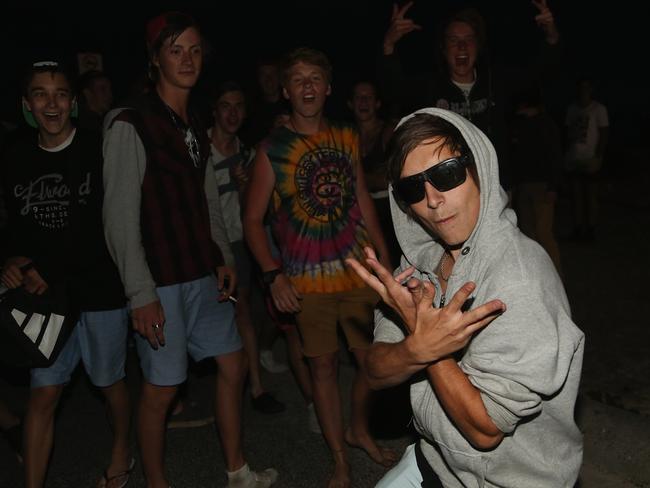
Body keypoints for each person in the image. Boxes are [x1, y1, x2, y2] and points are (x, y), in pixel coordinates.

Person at [346, 108, 584, 487]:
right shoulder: (416, 268)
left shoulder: (519, 277)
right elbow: (374, 373)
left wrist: (427, 346)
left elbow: (485, 429)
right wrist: (414, 348)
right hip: (436, 459)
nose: (433, 199)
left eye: (447, 174)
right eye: (413, 188)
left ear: (480, 170)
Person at [102, 12, 277, 488]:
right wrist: (140, 294)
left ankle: (237, 471)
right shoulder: (128, 121)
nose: (187, 59)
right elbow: (118, 218)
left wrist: (221, 255)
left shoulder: (194, 120)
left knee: (234, 362)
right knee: (161, 389)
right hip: (158, 280)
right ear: (155, 58)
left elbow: (207, 202)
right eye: (175, 49)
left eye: (195, 49)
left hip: (200, 272)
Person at [243, 46, 396, 488]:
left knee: (374, 364)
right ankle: (339, 461)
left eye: (315, 78)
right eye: (298, 80)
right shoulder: (272, 149)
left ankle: (358, 428)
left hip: (356, 271)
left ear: (328, 89)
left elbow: (364, 199)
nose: (307, 86)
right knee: (324, 368)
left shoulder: (347, 136)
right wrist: (272, 275)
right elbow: (252, 220)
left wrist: (384, 258)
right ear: (286, 91)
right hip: (306, 280)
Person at [1, 60, 132, 488]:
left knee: (108, 381)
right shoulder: (15, 155)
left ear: (73, 104)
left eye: (60, 94)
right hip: (47, 298)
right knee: (44, 394)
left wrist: (49, 269)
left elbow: (109, 225)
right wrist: (9, 261)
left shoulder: (97, 148)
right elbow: (13, 228)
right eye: (40, 93)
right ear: (26, 105)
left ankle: (120, 450)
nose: (51, 103)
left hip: (99, 289)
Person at [378, 0, 562, 192]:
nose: (462, 46)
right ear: (443, 48)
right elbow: (393, 89)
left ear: (478, 46)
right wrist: (388, 44)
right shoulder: (430, 87)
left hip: (497, 188)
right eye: (453, 40)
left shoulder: (496, 81)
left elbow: (541, 73)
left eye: (469, 39)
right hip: (449, 190)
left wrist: (552, 36)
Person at [207, 80, 284, 414]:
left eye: (238, 106)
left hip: (237, 246)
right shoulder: (198, 151)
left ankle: (255, 387)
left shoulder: (249, 155)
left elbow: (253, 213)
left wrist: (243, 188)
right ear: (214, 110)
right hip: (204, 247)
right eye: (226, 105)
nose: (233, 113)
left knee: (242, 312)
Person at [509, 82, 563, 275]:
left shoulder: (547, 124)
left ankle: (556, 277)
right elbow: (517, 157)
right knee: (527, 234)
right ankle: (536, 276)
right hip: (524, 186)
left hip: (542, 186)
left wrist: (553, 187)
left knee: (544, 233)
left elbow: (556, 157)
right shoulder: (520, 125)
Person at [347, 80, 400, 267]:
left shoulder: (389, 132)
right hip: (357, 215)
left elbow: (394, 178)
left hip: (390, 213)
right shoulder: (344, 136)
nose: (363, 102)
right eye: (358, 98)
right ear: (350, 104)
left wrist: (359, 180)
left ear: (377, 103)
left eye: (368, 97)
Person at [564, 76, 609, 242]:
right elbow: (568, 132)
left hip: (590, 158)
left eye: (586, 87)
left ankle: (590, 229)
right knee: (576, 195)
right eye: (581, 87)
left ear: (591, 89)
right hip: (574, 156)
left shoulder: (599, 109)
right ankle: (577, 228)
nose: (583, 91)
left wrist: (599, 156)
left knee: (590, 195)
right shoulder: (572, 109)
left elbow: (604, 133)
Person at [76, 70, 113, 135]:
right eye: (103, 89)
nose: (109, 95)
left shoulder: (109, 119)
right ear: (88, 94)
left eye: (110, 89)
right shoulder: (84, 127)